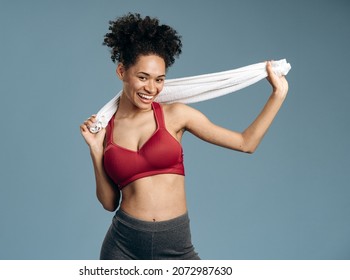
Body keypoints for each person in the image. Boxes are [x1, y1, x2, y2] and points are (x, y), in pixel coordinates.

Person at [80, 13, 288, 260]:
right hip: (123, 246)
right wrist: (95, 150)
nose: (151, 88)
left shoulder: (176, 115)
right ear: (122, 71)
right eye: (143, 77)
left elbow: (246, 143)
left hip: (176, 248)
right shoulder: (106, 129)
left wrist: (278, 95)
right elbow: (109, 203)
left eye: (159, 80)